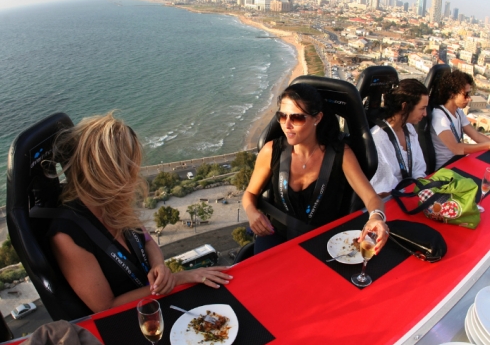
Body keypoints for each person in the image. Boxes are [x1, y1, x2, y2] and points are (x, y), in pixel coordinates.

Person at [47, 112, 233, 314]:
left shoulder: (112, 204)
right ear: (103, 170)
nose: (133, 171)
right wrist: (180, 278)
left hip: (154, 304)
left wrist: (159, 266)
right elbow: (105, 307)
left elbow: (147, 241)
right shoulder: (67, 235)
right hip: (128, 320)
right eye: (126, 165)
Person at [242, 83, 390, 255]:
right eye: (282, 116)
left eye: (297, 118)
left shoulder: (340, 155)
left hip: (323, 242)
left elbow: (372, 198)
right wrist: (252, 212)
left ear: (317, 118)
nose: (287, 125)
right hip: (275, 237)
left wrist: (376, 217)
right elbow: (249, 194)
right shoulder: (271, 151)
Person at [369, 79, 429, 197]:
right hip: (391, 201)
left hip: (410, 194)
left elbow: (418, 168)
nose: (425, 114)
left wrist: (423, 190)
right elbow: (382, 190)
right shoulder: (378, 139)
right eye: (422, 108)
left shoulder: (410, 129)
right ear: (405, 107)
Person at [431, 70, 490, 170]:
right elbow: (456, 148)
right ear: (452, 93)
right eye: (465, 94)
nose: (469, 99)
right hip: (446, 169)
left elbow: (476, 135)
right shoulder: (439, 116)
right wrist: (487, 146)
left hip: (458, 162)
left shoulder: (458, 112)